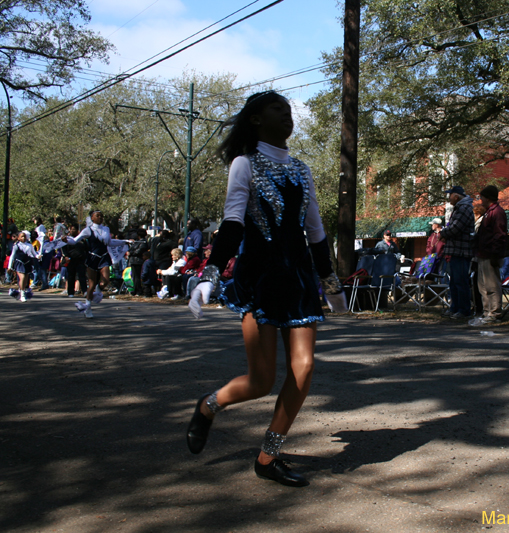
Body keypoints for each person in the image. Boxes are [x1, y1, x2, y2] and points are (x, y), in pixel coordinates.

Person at [184, 91, 347, 487]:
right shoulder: (244, 164)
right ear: (255, 120)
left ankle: (268, 456)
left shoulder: (302, 169)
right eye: (278, 109)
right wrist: (211, 274)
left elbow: (316, 232)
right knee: (260, 381)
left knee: (304, 368)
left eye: (290, 111)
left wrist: (330, 283)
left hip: (298, 281)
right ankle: (208, 406)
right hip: (259, 279)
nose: (287, 116)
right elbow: (233, 223)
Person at [62, 210, 130, 319]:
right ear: (92, 218)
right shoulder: (87, 230)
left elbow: (110, 243)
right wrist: (66, 240)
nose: (100, 217)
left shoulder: (106, 229)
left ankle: (98, 292)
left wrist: (124, 241)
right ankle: (88, 307)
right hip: (92, 257)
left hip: (104, 256)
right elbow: (74, 241)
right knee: (92, 284)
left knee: (106, 280)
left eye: (101, 216)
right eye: (97, 216)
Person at [469, 185, 507, 327]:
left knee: (492, 285)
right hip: (482, 253)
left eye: (482, 197)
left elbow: (499, 235)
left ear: (488, 198)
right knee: (482, 286)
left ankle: (495, 312)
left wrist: (495, 254)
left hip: (490, 254)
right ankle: (487, 311)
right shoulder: (488, 213)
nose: (480, 200)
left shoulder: (497, 213)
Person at [438, 185, 474, 319]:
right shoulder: (459, 208)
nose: (448, 198)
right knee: (453, 282)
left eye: (450, 195)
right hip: (455, 250)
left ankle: (464, 310)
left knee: (460, 281)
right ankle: (455, 308)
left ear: (456, 196)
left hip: (461, 251)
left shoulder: (464, 209)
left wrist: (443, 233)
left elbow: (455, 228)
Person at [8, 231, 37, 302]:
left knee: (25, 280)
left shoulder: (29, 245)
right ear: (18, 238)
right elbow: (12, 256)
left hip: (27, 263)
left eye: (24, 236)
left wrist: (38, 256)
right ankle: (22, 294)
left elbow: (34, 254)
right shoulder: (16, 246)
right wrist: (9, 266)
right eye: (22, 236)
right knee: (22, 277)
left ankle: (21, 292)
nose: (23, 238)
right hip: (19, 263)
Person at [62, 225, 87, 297]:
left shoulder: (82, 239)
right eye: (70, 229)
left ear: (77, 230)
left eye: (73, 229)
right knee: (71, 276)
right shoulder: (67, 239)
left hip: (81, 260)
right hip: (71, 260)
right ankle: (70, 292)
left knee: (82, 276)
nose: (71, 231)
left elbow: (86, 248)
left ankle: (84, 291)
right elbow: (63, 249)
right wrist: (66, 256)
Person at [127, 229, 149, 296]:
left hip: (138, 261)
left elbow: (138, 251)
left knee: (138, 277)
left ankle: (139, 290)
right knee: (134, 276)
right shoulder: (137, 242)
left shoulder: (144, 242)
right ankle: (135, 289)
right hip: (134, 261)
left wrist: (130, 253)